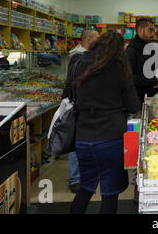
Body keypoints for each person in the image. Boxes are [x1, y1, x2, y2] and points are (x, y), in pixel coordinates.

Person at [68, 31, 141, 214]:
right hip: (111, 138)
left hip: (83, 137)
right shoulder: (118, 67)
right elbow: (133, 105)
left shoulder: (77, 63)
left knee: (86, 188)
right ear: (119, 49)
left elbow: (69, 98)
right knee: (110, 194)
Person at [62, 29, 100, 194]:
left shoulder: (81, 55)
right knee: (75, 142)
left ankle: (81, 176)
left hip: (79, 104)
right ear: (90, 39)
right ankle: (75, 178)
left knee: (80, 141)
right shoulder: (79, 57)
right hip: (76, 105)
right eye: (97, 39)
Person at [126, 18, 158, 103]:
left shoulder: (152, 47)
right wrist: (155, 80)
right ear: (140, 30)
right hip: (139, 99)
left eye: (154, 31)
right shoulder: (131, 51)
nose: (153, 34)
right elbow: (130, 78)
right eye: (150, 30)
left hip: (154, 95)